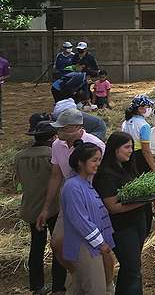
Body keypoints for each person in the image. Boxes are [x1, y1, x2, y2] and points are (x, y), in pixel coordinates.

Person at [94, 131, 155, 295]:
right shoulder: (106, 175)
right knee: (132, 268)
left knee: (131, 267)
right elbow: (113, 207)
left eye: (131, 147)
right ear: (114, 149)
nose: (130, 150)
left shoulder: (128, 167)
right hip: (121, 227)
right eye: (126, 147)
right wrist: (146, 200)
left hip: (137, 222)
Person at [36, 106, 107, 266]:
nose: (58, 132)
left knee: (99, 243)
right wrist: (46, 208)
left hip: (90, 198)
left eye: (62, 128)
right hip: (69, 198)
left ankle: (106, 284)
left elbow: (99, 176)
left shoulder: (95, 145)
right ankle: (76, 274)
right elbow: (56, 175)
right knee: (57, 243)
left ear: (76, 128)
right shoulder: (56, 145)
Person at [15, 114, 67, 295]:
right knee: (58, 245)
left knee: (36, 246)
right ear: (53, 137)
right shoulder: (52, 155)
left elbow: (19, 182)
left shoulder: (19, 156)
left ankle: (36, 286)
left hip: (30, 207)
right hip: (53, 206)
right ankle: (58, 285)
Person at [60, 142, 114, 295]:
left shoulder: (84, 184)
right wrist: (101, 243)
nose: (98, 164)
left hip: (91, 246)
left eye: (99, 160)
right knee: (94, 289)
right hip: (84, 247)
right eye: (94, 160)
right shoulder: (73, 186)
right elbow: (80, 220)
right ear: (80, 162)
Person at [121, 95, 155, 174]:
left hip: (128, 155)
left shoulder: (126, 122)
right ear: (140, 109)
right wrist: (154, 168)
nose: (149, 109)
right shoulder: (144, 126)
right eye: (147, 106)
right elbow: (146, 151)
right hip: (140, 157)